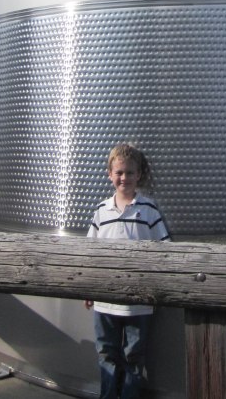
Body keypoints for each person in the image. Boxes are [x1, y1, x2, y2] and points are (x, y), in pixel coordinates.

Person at [85, 143, 170, 399]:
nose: (124, 178)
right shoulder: (101, 210)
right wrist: (88, 288)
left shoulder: (148, 209)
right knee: (107, 353)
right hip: (104, 300)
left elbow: (164, 249)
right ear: (109, 174)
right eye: (119, 172)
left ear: (139, 175)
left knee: (134, 357)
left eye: (130, 172)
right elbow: (89, 252)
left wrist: (158, 287)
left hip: (139, 302)